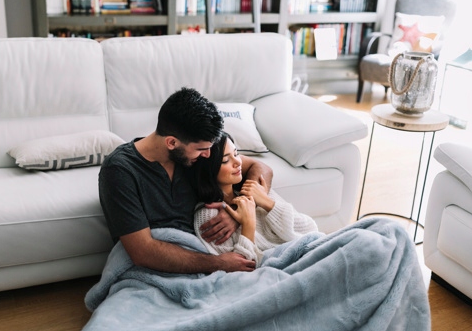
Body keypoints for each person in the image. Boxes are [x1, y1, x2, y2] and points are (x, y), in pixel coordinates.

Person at [98, 87, 273, 274]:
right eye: (201, 149)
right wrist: (219, 264)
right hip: (166, 264)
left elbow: (261, 168)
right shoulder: (120, 171)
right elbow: (142, 252)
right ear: (172, 143)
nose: (208, 155)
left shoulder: (195, 153)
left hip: (204, 250)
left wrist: (239, 211)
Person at [193, 133, 318, 265]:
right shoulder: (211, 216)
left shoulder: (252, 190)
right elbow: (242, 267)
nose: (238, 162)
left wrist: (267, 202)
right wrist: (248, 224)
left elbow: (310, 228)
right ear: (208, 169)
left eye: (236, 154)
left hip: (306, 251)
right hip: (284, 267)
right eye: (225, 160)